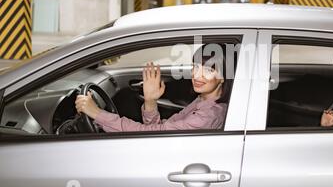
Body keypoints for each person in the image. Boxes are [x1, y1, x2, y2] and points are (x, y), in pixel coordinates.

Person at [75, 44, 233, 132]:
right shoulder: (203, 100)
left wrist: (96, 113)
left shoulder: (208, 115)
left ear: (223, 77)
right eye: (195, 66)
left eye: (209, 70)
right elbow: (160, 130)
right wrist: (150, 101)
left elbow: (153, 133)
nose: (197, 75)